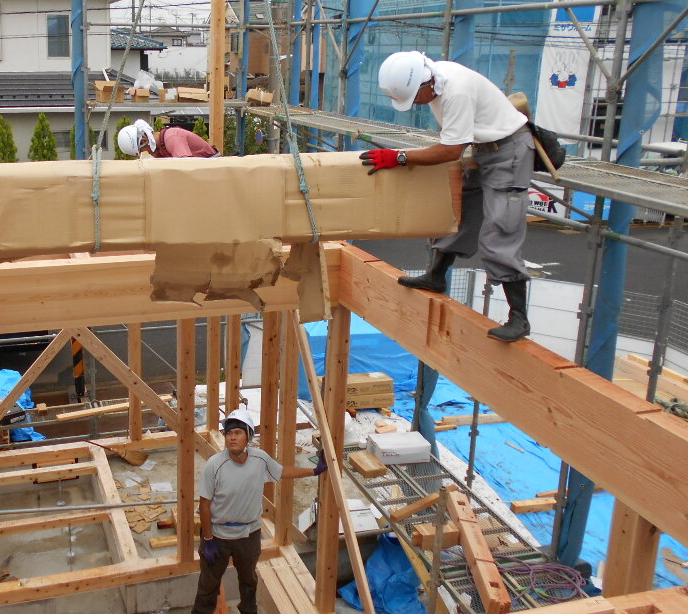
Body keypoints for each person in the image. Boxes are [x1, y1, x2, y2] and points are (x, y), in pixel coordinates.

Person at [367, 50, 535, 342]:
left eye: (412, 98)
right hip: (486, 148)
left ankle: (519, 318)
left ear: (425, 84)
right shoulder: (436, 80)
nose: (415, 104)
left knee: (500, 228)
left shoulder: (455, 91)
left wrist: (401, 157)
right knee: (458, 210)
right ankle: (436, 276)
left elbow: (449, 151)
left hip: (509, 153)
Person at [192, 410, 327, 614]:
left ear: (248, 435)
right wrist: (208, 539)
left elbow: (282, 472)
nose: (232, 437)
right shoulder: (215, 465)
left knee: (248, 582)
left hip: (249, 534)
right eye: (229, 433)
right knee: (208, 586)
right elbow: (204, 504)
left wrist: (314, 470)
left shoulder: (260, 460)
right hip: (218, 537)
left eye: (237, 432)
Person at [117, 118, 219, 158]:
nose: (144, 153)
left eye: (141, 151)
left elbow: (187, 168)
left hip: (215, 169)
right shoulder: (161, 149)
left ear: (144, 141)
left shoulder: (172, 138)